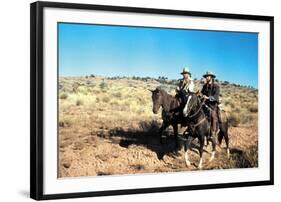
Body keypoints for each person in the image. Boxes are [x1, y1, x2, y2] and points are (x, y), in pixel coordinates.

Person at [201, 71, 222, 137]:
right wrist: (201, 95)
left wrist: (207, 98)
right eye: (206, 76)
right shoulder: (205, 86)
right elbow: (202, 93)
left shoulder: (216, 86)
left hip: (212, 105)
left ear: (211, 77)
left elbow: (216, 97)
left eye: (208, 76)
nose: (206, 78)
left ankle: (213, 132)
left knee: (213, 115)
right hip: (204, 104)